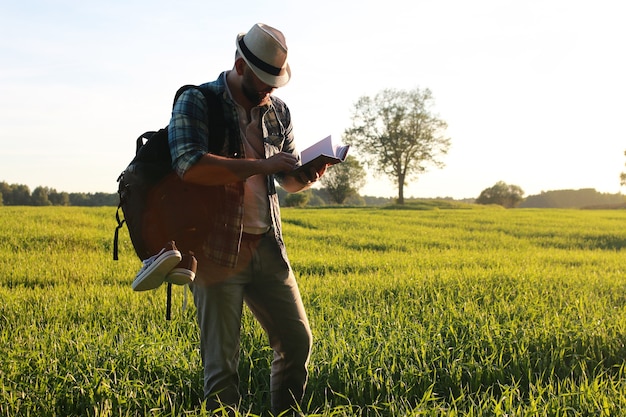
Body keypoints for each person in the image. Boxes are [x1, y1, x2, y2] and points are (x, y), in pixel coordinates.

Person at [167, 23, 324, 415]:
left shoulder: (279, 111)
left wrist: (304, 176)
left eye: (276, 81)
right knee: (222, 368)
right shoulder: (197, 100)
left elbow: (283, 179)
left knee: (297, 341)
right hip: (215, 250)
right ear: (240, 66)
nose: (271, 89)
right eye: (264, 80)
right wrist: (260, 164)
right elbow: (189, 165)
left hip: (267, 244)